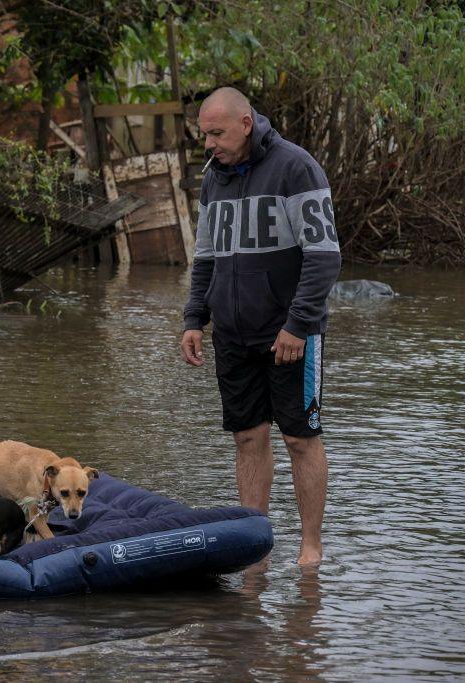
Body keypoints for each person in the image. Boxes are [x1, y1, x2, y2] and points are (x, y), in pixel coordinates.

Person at [180, 87, 340, 567]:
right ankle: (256, 547)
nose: (209, 143)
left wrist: (298, 325)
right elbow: (205, 256)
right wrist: (194, 319)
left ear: (246, 123)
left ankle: (310, 548)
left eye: (217, 133)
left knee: (299, 438)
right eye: (204, 134)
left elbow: (324, 256)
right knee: (248, 438)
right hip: (232, 333)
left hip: (290, 334)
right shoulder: (214, 179)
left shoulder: (296, 168)